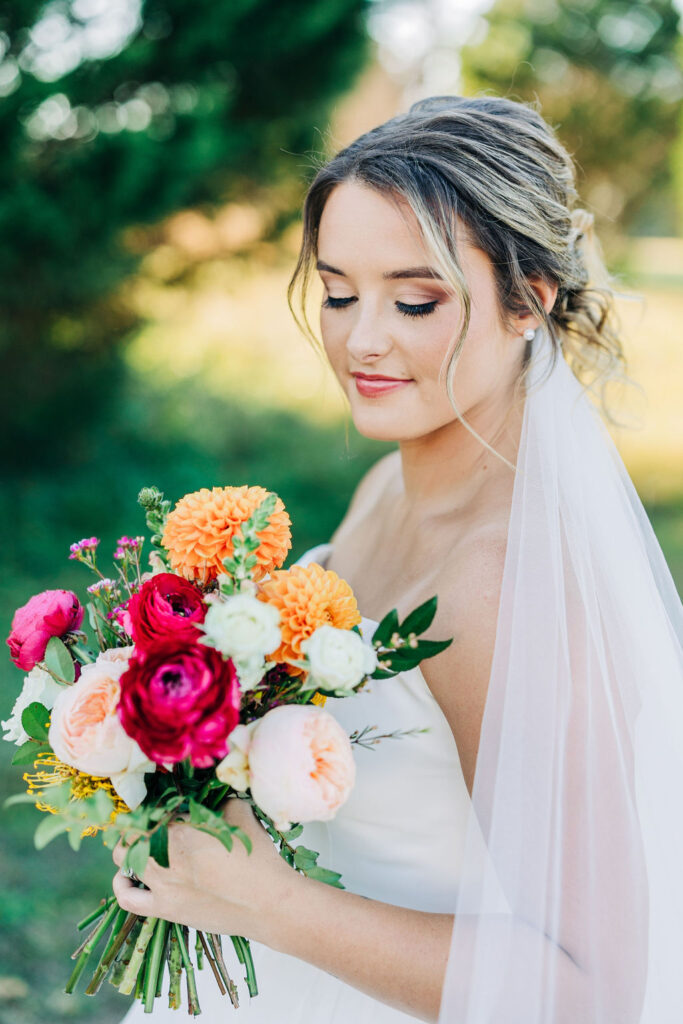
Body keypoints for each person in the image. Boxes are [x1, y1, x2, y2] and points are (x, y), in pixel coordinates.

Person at [113, 95, 683, 1023]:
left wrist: (268, 904)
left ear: (528, 298)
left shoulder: (502, 584)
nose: (359, 340)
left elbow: (591, 990)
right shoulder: (388, 484)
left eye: (414, 300)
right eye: (338, 292)